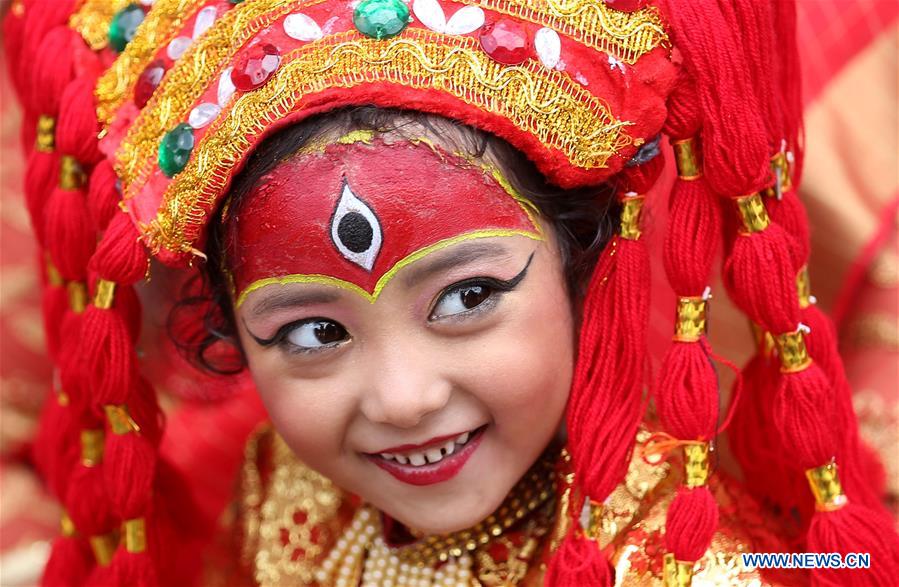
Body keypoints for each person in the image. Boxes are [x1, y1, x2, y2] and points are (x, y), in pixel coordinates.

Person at [3, 0, 898, 586]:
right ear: (228, 332)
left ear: (581, 264)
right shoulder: (284, 488)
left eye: (467, 299)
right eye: (314, 330)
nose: (403, 396)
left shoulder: (685, 562)